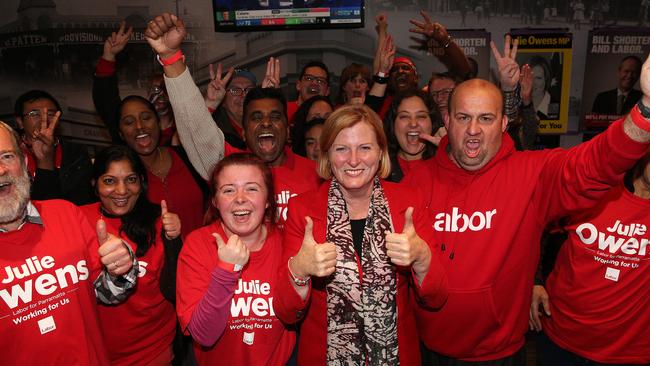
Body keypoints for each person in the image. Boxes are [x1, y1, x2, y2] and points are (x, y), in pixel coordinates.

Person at [415, 37, 650, 363]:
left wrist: (646, 110)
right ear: (447, 121)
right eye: (463, 117)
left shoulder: (533, 173)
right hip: (429, 350)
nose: (473, 130)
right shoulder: (414, 180)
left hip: (501, 353)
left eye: (485, 118)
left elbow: (596, 164)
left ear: (503, 123)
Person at [274, 104, 448, 365]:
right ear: (328, 155)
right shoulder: (303, 209)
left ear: (380, 152)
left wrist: (422, 257)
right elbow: (287, 313)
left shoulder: (408, 202)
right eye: (342, 148)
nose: (353, 160)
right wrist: (298, 270)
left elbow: (437, 297)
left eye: (365, 148)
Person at [144, 13, 320, 225]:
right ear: (243, 132)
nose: (266, 123)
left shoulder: (315, 174)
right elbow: (195, 123)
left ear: (288, 130)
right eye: (256, 117)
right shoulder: (227, 166)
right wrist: (170, 57)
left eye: (275, 116)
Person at [0, 121, 137, 364]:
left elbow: (108, 294)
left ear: (23, 160)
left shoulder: (66, 214)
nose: (0, 169)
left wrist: (120, 269)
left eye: (6, 156)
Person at [529, 154, 650, 365]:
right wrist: (535, 281)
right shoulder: (595, 192)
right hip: (560, 338)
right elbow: (537, 228)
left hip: (628, 350)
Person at [177, 153, 295, 365]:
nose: (240, 198)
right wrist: (226, 271)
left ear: (268, 200)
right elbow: (203, 335)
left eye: (251, 188)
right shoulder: (198, 244)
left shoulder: (287, 242)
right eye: (228, 190)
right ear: (215, 201)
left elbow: (296, 313)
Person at [80, 145, 182, 365]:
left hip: (152, 349)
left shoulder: (160, 221)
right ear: (94, 185)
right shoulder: (77, 220)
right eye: (109, 181)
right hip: (97, 353)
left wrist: (174, 240)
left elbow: (175, 289)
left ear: (141, 183)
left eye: (131, 179)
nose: (121, 190)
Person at [117, 95, 208, 236]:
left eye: (146, 118)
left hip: (203, 254)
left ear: (158, 123)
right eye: (129, 122)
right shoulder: (123, 179)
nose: (140, 126)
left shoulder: (188, 157)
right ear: (121, 134)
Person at [93, 21, 179, 146]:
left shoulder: (184, 133)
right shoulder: (130, 137)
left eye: (164, 89)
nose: (159, 95)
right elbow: (106, 101)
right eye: (154, 89)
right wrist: (109, 56)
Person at [13, 90, 94, 205]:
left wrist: (46, 160)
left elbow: (80, 201)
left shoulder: (75, 153)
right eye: (34, 114)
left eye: (51, 114)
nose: (43, 120)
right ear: (20, 122)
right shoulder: (10, 153)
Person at [383, 90, 442, 197]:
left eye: (421, 116)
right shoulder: (379, 167)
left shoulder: (445, 165)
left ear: (432, 123)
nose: (413, 123)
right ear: (393, 124)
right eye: (404, 116)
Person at [205, 65, 257, 150]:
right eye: (235, 90)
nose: (244, 95)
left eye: (249, 90)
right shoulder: (214, 134)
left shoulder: (266, 127)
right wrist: (210, 103)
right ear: (223, 101)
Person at [527, 55, 559, 119]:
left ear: (546, 80)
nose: (533, 83)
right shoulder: (518, 105)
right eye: (530, 77)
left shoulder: (554, 105)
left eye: (538, 78)